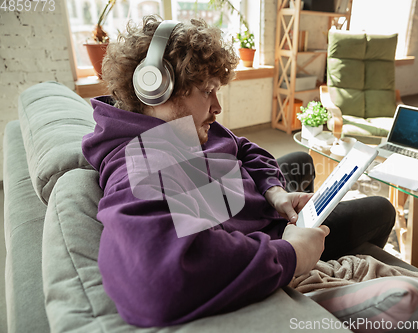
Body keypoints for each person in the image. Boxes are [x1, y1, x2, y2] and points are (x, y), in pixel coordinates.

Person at [82, 15, 396, 327]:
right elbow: (151, 286)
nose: (217, 107)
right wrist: (292, 253)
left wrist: (273, 190)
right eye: (207, 91)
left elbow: (243, 148)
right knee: (381, 210)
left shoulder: (182, 127)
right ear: (155, 87)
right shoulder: (141, 162)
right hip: (269, 240)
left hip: (257, 205)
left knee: (300, 158)